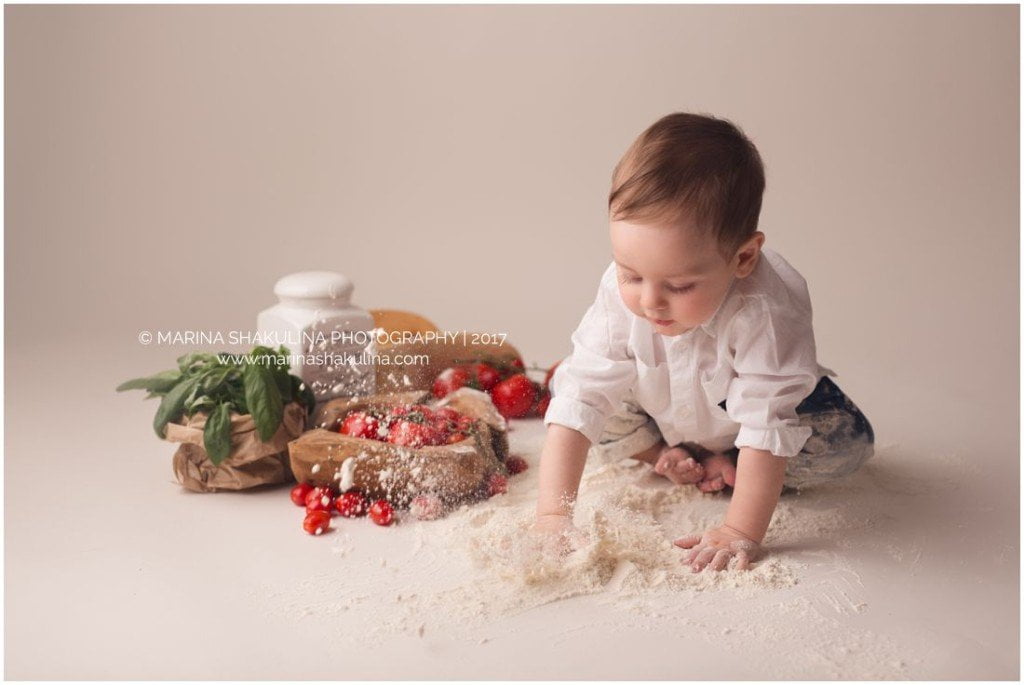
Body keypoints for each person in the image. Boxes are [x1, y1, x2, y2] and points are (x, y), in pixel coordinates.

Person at [534, 112, 875, 573]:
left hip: (754, 414)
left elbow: (767, 417)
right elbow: (582, 397)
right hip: (663, 404)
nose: (650, 301)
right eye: (631, 274)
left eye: (678, 286)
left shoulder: (765, 311)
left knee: (844, 445)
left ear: (743, 257)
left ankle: (733, 459)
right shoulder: (620, 295)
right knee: (578, 398)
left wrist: (738, 531)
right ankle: (668, 455)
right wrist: (554, 516)